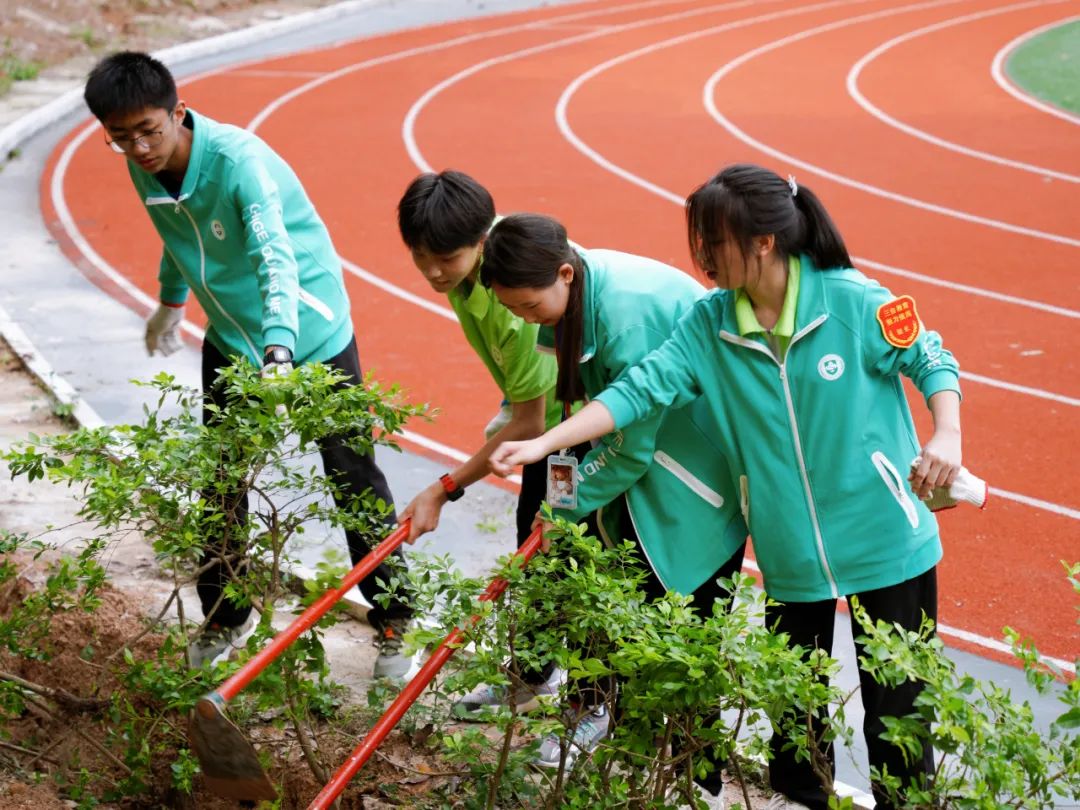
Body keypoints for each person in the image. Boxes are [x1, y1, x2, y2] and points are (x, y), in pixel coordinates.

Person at [490, 164, 963, 810]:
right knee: (796, 741)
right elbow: (640, 389)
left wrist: (948, 436)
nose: (703, 258)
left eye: (712, 242)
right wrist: (545, 443)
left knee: (899, 735)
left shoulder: (854, 299)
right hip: (790, 548)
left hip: (885, 538)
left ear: (763, 241)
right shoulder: (710, 325)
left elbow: (930, 356)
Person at [83, 51, 416, 679]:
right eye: (120, 138)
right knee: (220, 486)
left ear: (178, 113)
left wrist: (281, 349)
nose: (138, 147)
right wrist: (168, 305)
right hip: (233, 341)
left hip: (308, 335)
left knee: (351, 480)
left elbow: (275, 261)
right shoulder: (143, 163)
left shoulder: (241, 166)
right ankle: (224, 618)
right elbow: (174, 234)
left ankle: (396, 620)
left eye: (149, 131)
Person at [481, 213, 747, 782]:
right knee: (619, 593)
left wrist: (559, 506)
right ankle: (615, 732)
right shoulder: (579, 287)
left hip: (697, 469)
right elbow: (588, 413)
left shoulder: (625, 322)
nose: (527, 323)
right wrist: (559, 486)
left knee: (682, 632)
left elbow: (628, 448)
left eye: (530, 308)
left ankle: (700, 780)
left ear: (564, 273)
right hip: (656, 454)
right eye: (514, 311)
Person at [396, 170, 580, 721]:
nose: (432, 272)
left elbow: (533, 420)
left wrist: (445, 486)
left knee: (563, 542)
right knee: (541, 536)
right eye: (419, 255)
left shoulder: (511, 302)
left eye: (444, 258)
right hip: (560, 408)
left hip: (584, 418)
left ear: (480, 242)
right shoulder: (466, 273)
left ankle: (584, 699)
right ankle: (535, 675)